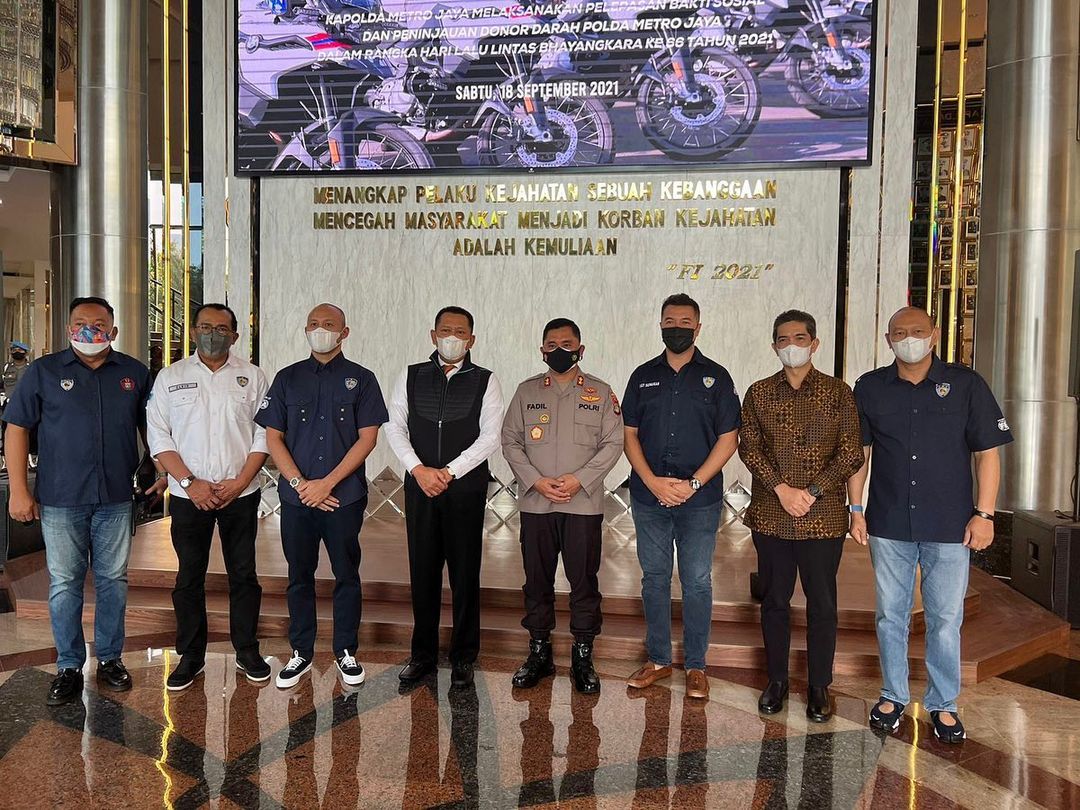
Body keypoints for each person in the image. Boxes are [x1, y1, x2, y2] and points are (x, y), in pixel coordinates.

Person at [849, 306, 1013, 743]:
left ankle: (943, 703)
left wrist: (985, 514)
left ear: (934, 335)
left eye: (917, 331)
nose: (909, 339)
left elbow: (988, 454)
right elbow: (860, 454)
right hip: (889, 522)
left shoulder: (966, 384)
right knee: (891, 615)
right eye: (899, 333)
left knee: (944, 618)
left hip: (950, 524)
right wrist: (855, 508)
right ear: (888, 340)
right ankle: (893, 696)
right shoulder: (870, 387)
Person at [4, 297, 166, 705]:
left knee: (113, 580)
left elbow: (154, 428)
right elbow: (17, 428)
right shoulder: (43, 372)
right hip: (61, 498)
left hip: (115, 497)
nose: (89, 330)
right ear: (68, 329)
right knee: (64, 583)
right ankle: (69, 665)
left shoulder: (133, 373)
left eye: (98, 323)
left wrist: (163, 470)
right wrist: (20, 491)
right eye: (80, 323)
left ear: (113, 330)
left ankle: (110, 658)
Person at [738, 310, 863, 721]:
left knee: (822, 603)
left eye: (799, 338)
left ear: (814, 343)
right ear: (774, 346)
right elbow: (749, 447)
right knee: (774, 601)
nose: (791, 346)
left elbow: (851, 452)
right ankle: (776, 680)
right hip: (772, 515)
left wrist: (811, 492)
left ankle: (818, 685)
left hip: (822, 517)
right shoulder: (758, 393)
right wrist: (782, 489)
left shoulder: (838, 392)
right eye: (783, 339)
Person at [255, 303, 388, 689]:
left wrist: (327, 483)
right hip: (297, 499)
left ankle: (346, 650)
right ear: (305, 330)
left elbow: (367, 439)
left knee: (346, 574)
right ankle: (300, 652)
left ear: (344, 333)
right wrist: (301, 484)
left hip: (342, 497)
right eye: (313, 324)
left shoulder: (362, 379)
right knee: (299, 575)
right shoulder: (287, 378)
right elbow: (273, 438)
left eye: (329, 324)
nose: (320, 330)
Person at [146, 303, 272, 691]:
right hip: (189, 495)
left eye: (221, 328)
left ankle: (247, 650)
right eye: (204, 327)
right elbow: (158, 435)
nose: (212, 334)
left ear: (234, 335)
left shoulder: (253, 377)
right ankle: (191, 655)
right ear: (193, 331)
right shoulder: (171, 377)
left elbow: (265, 434)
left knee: (243, 575)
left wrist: (240, 481)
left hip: (241, 493)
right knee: (189, 576)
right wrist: (189, 482)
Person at [621, 294, 741, 699]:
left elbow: (729, 438)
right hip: (649, 496)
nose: (677, 328)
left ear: (698, 328)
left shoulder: (717, 377)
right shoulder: (642, 376)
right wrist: (652, 481)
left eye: (685, 322)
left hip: (699, 501)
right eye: (670, 321)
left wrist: (693, 484)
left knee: (697, 581)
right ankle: (658, 659)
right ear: (660, 325)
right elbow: (629, 435)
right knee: (654, 579)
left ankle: (696, 665)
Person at [501, 318, 624, 694]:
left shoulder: (601, 393)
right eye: (551, 345)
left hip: (582, 504)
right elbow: (510, 440)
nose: (559, 350)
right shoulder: (526, 392)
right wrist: (536, 481)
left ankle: (583, 655)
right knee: (536, 581)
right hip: (536, 503)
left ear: (580, 350)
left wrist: (580, 479)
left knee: (583, 582)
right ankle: (539, 651)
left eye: (566, 344)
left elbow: (614, 442)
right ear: (542, 351)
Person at [384, 306, 503, 689]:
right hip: (420, 486)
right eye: (445, 330)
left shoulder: (485, 380)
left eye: (460, 332)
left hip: (464, 488)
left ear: (472, 339)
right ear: (433, 335)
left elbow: (490, 436)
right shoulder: (411, 375)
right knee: (423, 571)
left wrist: (450, 471)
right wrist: (418, 469)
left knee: (465, 573)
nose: (452, 337)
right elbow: (395, 426)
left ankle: (464, 655)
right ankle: (422, 655)